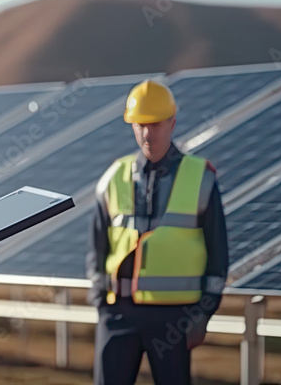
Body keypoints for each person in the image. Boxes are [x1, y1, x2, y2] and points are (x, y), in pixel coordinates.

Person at [86, 80, 228, 385]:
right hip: (118, 312)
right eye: (140, 125)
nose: (147, 133)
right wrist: (101, 303)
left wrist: (204, 313)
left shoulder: (201, 178)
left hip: (174, 319)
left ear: (172, 123)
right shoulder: (114, 177)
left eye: (156, 124)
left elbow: (218, 253)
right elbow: (97, 247)